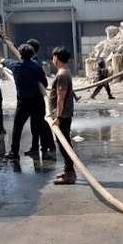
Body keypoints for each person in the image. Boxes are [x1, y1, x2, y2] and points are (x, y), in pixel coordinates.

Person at [3, 44, 50, 161]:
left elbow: (7, 63)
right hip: (37, 101)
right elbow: (45, 84)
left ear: (20, 54)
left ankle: (14, 152)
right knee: (40, 126)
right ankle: (44, 151)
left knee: (17, 127)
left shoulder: (16, 66)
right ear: (32, 54)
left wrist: (3, 61)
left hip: (23, 102)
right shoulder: (37, 67)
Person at [48, 46, 77, 185]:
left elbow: (61, 98)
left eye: (53, 56)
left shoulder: (62, 75)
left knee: (64, 145)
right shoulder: (64, 72)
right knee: (63, 144)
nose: (52, 59)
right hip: (62, 115)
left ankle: (69, 174)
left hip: (62, 117)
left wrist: (58, 118)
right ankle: (68, 171)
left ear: (56, 58)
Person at [24, 38, 57, 157]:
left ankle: (46, 147)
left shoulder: (34, 63)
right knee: (37, 124)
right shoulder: (33, 61)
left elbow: (43, 82)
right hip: (35, 98)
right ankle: (38, 147)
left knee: (41, 124)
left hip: (38, 98)